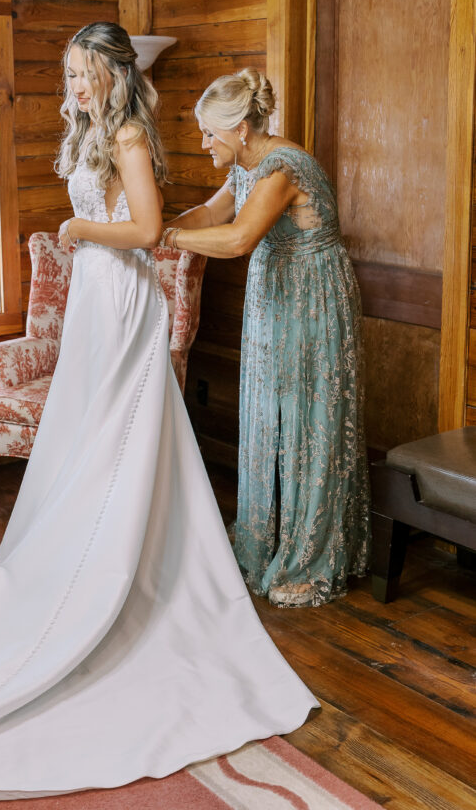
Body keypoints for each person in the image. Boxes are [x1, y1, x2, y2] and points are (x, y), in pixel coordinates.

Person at [0, 28, 318, 802]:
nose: (76, 85)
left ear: (114, 74)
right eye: (70, 73)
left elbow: (150, 234)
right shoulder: (90, 128)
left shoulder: (125, 133)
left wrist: (82, 231)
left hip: (119, 296)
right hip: (92, 295)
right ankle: (75, 556)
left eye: (85, 73)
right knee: (87, 436)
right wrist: (83, 242)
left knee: (117, 437)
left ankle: (117, 569)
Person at [161, 68, 370, 609]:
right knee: (267, 416)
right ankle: (266, 540)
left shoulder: (280, 166)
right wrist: (154, 231)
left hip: (312, 302)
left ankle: (313, 554)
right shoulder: (247, 167)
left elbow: (237, 239)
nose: (203, 142)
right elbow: (212, 213)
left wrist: (169, 238)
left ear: (241, 131)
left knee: (309, 420)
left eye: (210, 132)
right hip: (275, 300)